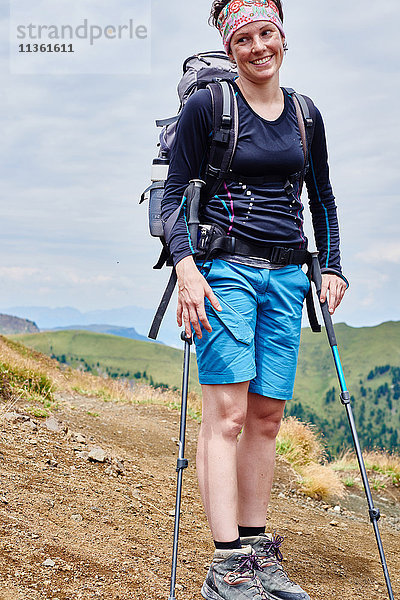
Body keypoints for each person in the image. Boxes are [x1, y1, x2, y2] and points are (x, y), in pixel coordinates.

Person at [161, 1, 348, 598]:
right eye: (244, 38)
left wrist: (333, 265)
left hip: (290, 277)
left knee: (266, 419)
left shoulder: (305, 113)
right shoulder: (207, 107)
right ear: (229, 45)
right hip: (225, 274)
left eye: (267, 34)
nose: (258, 47)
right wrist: (188, 269)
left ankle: (257, 549)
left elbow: (321, 194)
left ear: (283, 38)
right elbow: (172, 199)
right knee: (229, 416)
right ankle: (225, 564)